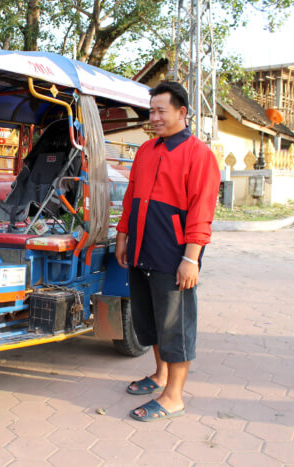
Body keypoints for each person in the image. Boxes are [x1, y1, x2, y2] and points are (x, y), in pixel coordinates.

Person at [115, 81, 220, 421]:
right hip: (142, 247)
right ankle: (160, 374)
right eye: (152, 111)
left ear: (182, 113)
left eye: (161, 111)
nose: (155, 117)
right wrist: (122, 235)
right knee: (149, 319)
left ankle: (173, 396)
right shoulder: (147, 150)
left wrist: (191, 258)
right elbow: (132, 196)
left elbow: (202, 210)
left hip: (174, 253)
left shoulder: (199, 154)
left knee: (175, 324)